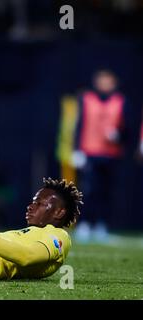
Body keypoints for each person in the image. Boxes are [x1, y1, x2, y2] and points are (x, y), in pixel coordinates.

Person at [72, 69, 127, 243]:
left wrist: (118, 135)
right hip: (90, 152)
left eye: (108, 81)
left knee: (106, 191)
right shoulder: (86, 98)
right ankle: (85, 224)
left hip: (111, 154)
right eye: (102, 80)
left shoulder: (120, 101)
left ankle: (101, 225)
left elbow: (127, 128)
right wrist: (76, 149)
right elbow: (79, 124)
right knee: (89, 191)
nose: (105, 84)